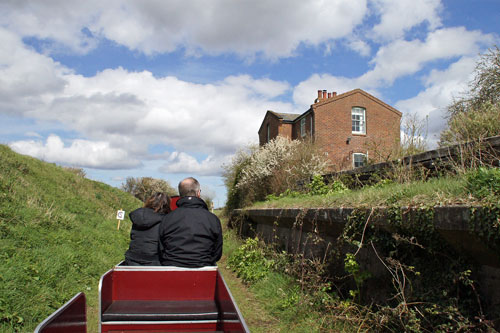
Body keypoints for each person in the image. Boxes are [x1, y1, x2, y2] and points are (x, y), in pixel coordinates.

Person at [159, 177, 222, 267]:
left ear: (180, 195)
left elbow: (161, 249)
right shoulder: (212, 219)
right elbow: (217, 253)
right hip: (203, 270)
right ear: (198, 193)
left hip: (172, 270)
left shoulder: (167, 218)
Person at [124, 192, 171, 266]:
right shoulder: (166, 219)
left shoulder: (139, 216)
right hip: (154, 260)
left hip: (132, 258)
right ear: (166, 205)